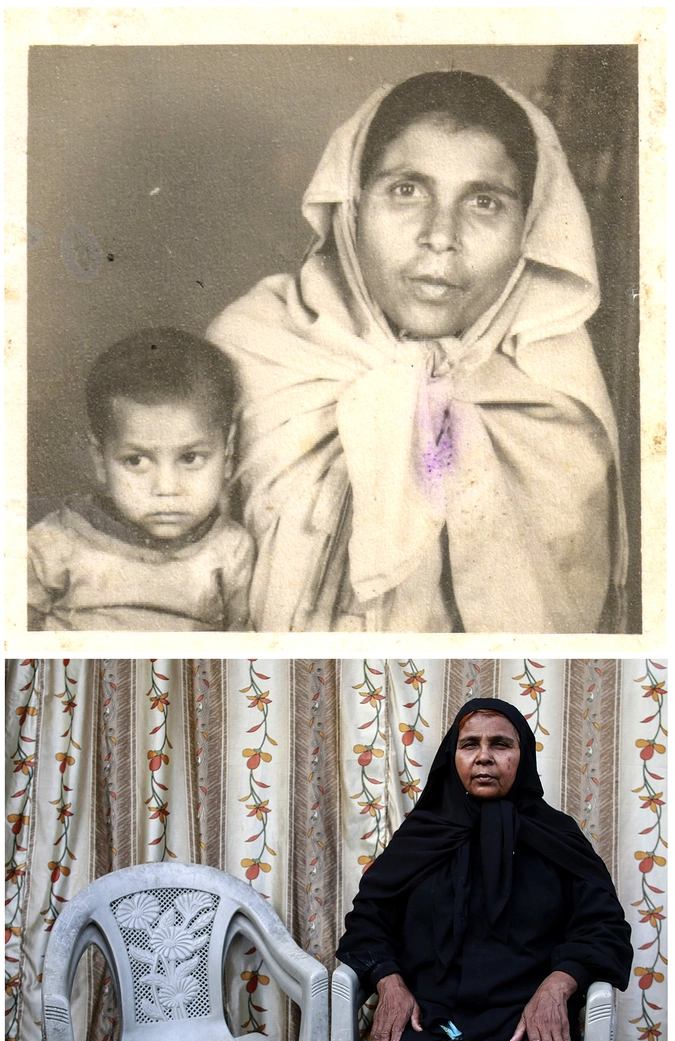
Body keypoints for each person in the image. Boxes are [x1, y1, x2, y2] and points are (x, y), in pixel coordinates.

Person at [208, 70, 628, 633]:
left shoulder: (557, 405)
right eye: (406, 191)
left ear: (530, 226)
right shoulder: (257, 350)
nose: (440, 234)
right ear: (352, 205)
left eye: (484, 202)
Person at [336, 697, 632, 1041]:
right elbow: (367, 922)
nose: (484, 757)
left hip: (523, 1020)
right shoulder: (421, 835)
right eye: (469, 745)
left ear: (523, 756)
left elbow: (604, 927)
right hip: (428, 1019)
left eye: (501, 744)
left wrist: (558, 986)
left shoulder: (558, 835)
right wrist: (388, 982)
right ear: (452, 757)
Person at [28, 328, 254, 631]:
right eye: (136, 461)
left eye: (190, 458)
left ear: (226, 454)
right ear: (100, 460)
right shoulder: (54, 543)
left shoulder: (230, 550)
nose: (166, 488)